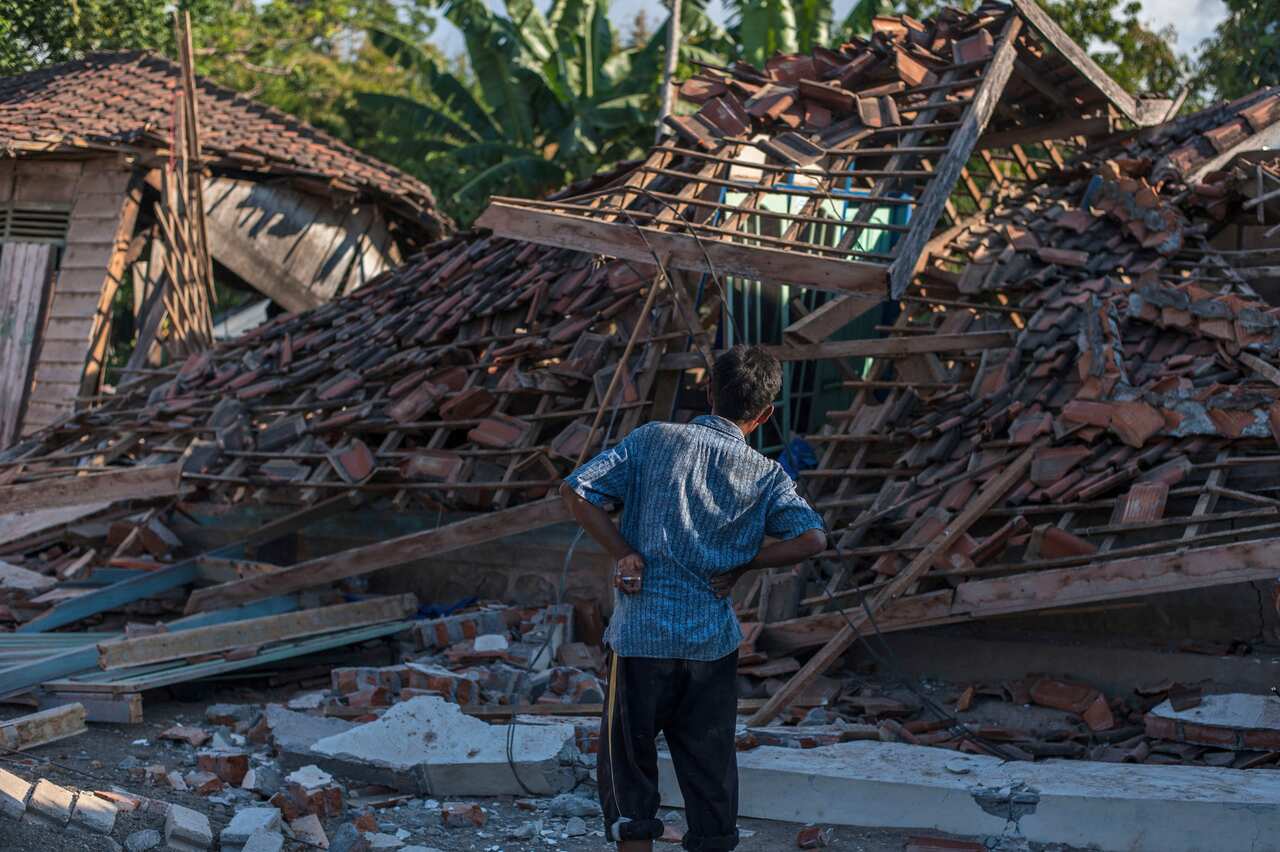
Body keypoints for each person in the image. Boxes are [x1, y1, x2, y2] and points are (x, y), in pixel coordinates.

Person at [559, 344, 827, 852]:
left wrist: (624, 552)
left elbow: (576, 491)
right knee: (710, 769)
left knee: (627, 766)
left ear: (708, 391)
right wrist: (744, 562)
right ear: (765, 414)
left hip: (641, 640)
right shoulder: (766, 474)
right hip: (711, 647)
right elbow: (813, 538)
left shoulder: (652, 440)